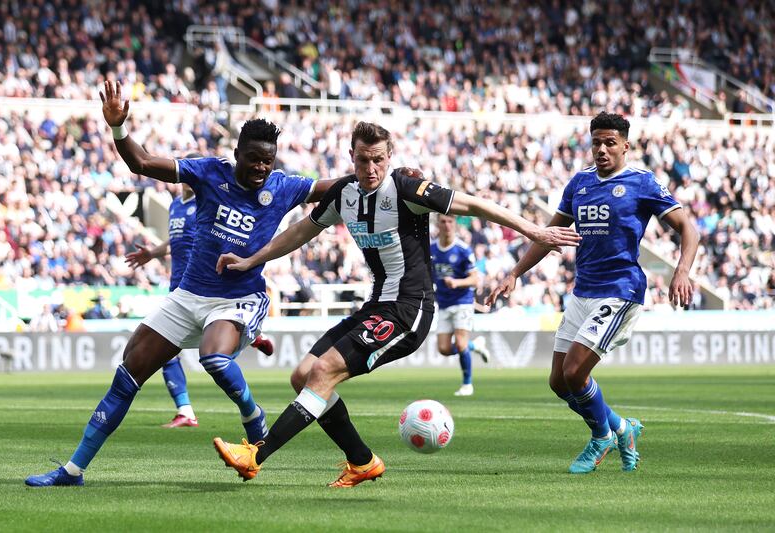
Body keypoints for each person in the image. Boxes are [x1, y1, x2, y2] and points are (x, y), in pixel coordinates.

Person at [211, 121, 581, 487]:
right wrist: (251, 260)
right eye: (361, 161)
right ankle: (362, 461)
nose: (370, 170)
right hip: (376, 306)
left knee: (323, 371)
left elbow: (474, 205)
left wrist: (535, 231)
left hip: (409, 309)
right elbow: (299, 232)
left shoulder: (406, 190)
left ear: (389, 158)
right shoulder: (344, 194)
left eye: (377, 160)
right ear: (350, 157)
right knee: (302, 376)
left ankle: (255, 456)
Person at [25, 81, 336, 487]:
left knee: (214, 358)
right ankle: (73, 470)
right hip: (188, 295)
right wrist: (118, 128)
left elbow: (334, 186)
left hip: (239, 298)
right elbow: (141, 162)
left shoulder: (284, 187)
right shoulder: (209, 172)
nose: (262, 168)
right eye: (255, 159)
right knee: (127, 373)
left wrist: (382, 179)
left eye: (268, 161)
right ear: (237, 154)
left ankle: (253, 416)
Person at [487, 112, 698, 474]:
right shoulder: (579, 183)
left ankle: (601, 437)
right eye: (596, 142)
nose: (601, 149)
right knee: (558, 382)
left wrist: (682, 270)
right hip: (583, 290)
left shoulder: (642, 182)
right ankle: (621, 427)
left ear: (625, 146)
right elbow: (548, 235)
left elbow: (687, 227)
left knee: (574, 371)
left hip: (620, 289)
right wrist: (515, 272)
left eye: (610, 142)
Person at [123, 173, 276, 428]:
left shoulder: (207, 203)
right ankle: (251, 337)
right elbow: (176, 240)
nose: (188, 181)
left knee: (177, 354)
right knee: (174, 352)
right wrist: (153, 252)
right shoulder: (175, 205)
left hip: (201, 285)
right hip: (179, 287)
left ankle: (185, 410)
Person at [430, 214, 491, 397]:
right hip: (443, 303)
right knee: (444, 349)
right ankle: (476, 346)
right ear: (438, 224)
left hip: (462, 302)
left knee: (461, 343)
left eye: (450, 222)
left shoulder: (463, 250)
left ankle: (467, 384)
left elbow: (475, 279)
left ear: (455, 225)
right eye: (443, 222)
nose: (447, 225)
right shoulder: (431, 249)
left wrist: (457, 283)